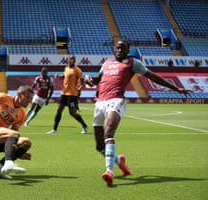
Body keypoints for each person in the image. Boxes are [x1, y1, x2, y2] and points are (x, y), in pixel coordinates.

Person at [84, 40, 193, 186]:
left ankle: (109, 171)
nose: (119, 50)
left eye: (123, 48)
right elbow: (98, 79)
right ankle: (120, 162)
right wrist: (90, 79)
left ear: (128, 50)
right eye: (117, 47)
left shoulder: (132, 63)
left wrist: (176, 89)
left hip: (116, 100)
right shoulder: (106, 63)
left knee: (108, 132)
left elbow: (153, 76)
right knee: (99, 146)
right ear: (114, 49)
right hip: (100, 102)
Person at [47, 55, 88, 134]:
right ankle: (54, 129)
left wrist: (80, 87)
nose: (71, 60)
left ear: (75, 61)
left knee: (72, 113)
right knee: (59, 110)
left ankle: (84, 126)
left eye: (73, 59)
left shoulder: (77, 70)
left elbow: (83, 80)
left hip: (72, 94)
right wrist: (59, 76)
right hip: (64, 93)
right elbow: (64, 77)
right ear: (68, 60)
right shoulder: (66, 68)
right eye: (70, 59)